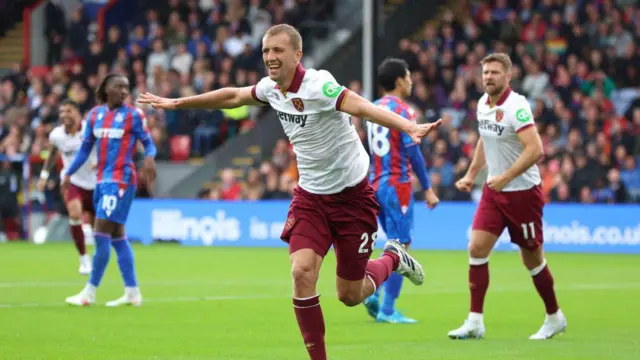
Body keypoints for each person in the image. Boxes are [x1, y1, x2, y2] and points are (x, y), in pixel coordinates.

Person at [138, 24, 441, 360]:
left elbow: (359, 105)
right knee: (301, 273)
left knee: (350, 295)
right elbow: (233, 95)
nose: (270, 57)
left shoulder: (319, 85)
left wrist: (409, 126)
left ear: (297, 55)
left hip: (352, 197)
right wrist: (177, 102)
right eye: (267, 51)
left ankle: (394, 257)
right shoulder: (270, 88)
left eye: (278, 50)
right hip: (311, 197)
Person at [447, 53, 566, 340]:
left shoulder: (517, 106)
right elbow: (484, 141)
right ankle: (475, 322)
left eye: (495, 72)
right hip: (493, 191)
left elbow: (536, 149)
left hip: (522, 194)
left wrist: (506, 177)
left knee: (532, 259)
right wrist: (471, 174)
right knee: (476, 248)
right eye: (485, 72)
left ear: (508, 77)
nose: (488, 77)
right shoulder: (482, 105)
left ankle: (554, 317)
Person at [63, 74, 157, 307]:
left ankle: (89, 292)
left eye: (127, 87)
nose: (124, 91)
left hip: (121, 181)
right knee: (117, 237)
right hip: (101, 182)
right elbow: (85, 150)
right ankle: (132, 291)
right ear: (106, 89)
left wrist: (150, 158)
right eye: (119, 86)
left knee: (101, 232)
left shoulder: (134, 115)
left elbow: (149, 143)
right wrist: (68, 173)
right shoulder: (95, 115)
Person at [362, 58, 440, 324]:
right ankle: (386, 309)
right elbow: (412, 151)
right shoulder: (403, 110)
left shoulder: (373, 108)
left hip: (375, 184)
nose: (411, 80)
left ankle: (373, 294)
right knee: (400, 248)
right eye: (408, 76)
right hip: (397, 185)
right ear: (398, 80)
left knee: (393, 243)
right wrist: (428, 188)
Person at [38, 100, 96, 275]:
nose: (64, 115)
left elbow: (105, 147)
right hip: (72, 182)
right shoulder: (56, 135)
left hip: (94, 183)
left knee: (96, 226)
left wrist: (99, 160)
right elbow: (53, 153)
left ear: (78, 113)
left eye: (68, 111)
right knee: (75, 214)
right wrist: (44, 175)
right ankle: (84, 259)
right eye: (62, 112)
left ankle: (98, 256)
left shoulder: (90, 129)